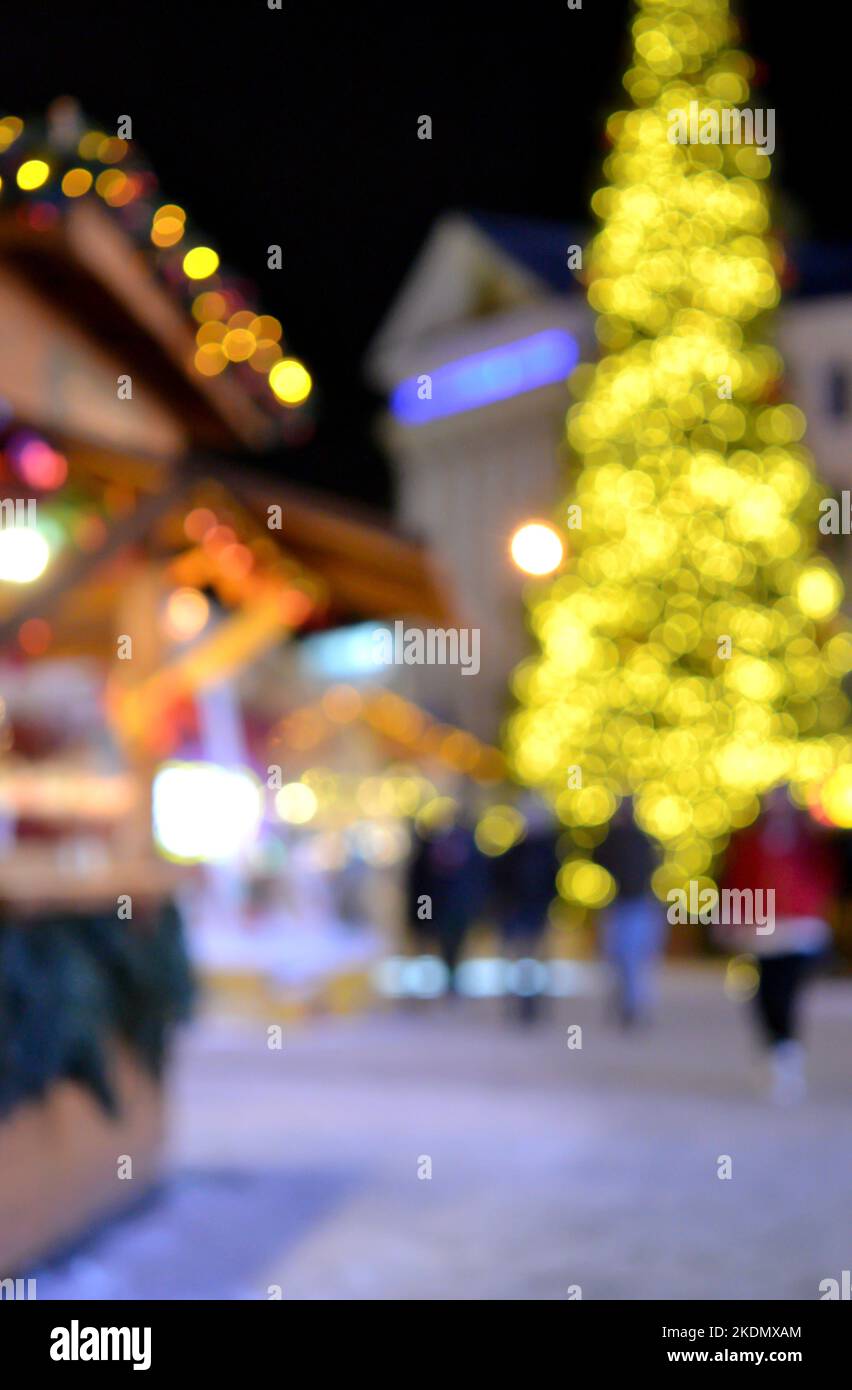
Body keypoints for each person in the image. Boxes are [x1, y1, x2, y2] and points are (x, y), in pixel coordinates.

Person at [721, 788, 838, 1104]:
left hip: (800, 929)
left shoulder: (810, 840)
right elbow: (737, 879)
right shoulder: (750, 841)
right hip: (761, 930)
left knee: (787, 992)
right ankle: (776, 1049)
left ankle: (787, 1053)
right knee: (765, 995)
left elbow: (829, 874)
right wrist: (730, 917)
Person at [594, 799, 664, 1026]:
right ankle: (628, 1003)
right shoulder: (633, 840)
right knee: (624, 960)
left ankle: (632, 1005)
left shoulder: (634, 840)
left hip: (635, 906)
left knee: (632, 960)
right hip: (626, 905)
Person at [492, 796, 559, 1023]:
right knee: (519, 960)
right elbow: (501, 881)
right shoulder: (516, 852)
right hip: (517, 914)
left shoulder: (547, 853)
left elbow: (553, 884)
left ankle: (531, 1003)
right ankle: (519, 1002)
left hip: (535, 914)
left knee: (533, 960)